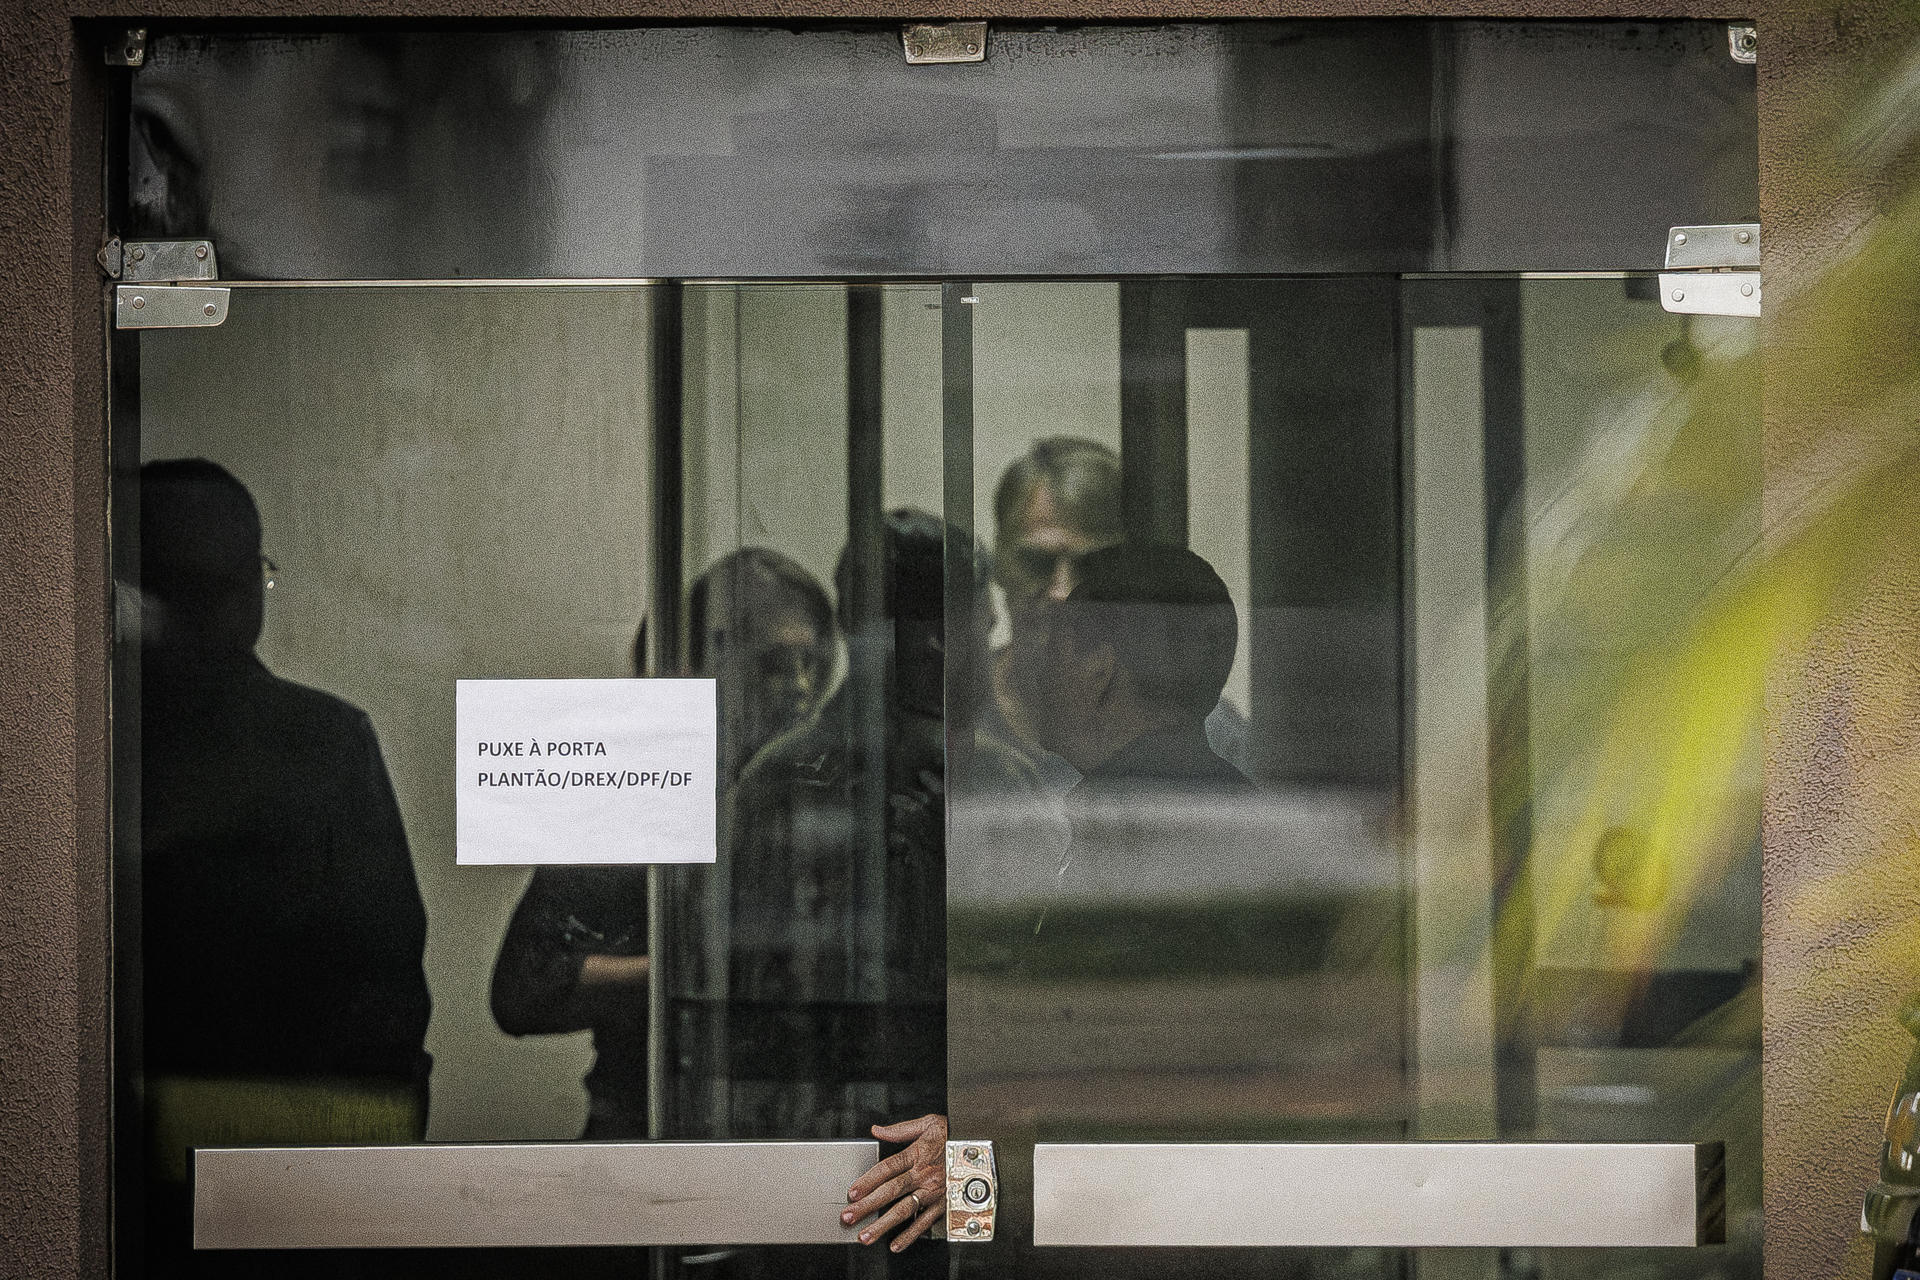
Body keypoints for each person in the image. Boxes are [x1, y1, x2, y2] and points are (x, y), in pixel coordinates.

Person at [139, 458, 431, 1273]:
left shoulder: (67, 746)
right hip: (303, 1168)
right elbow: (388, 977)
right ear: (246, 588)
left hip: (112, 1165)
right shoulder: (322, 743)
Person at [490, 548, 835, 1139]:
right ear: (710, 665)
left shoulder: (825, 797)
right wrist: (686, 972)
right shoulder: (643, 797)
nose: (801, 688)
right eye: (776, 665)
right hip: (649, 1128)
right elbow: (524, 987)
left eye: (814, 664)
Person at [988, 437, 1248, 787]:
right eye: (1036, 562)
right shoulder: (959, 714)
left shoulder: (1211, 736)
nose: (1064, 593)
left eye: (1094, 567)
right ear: (1001, 568)